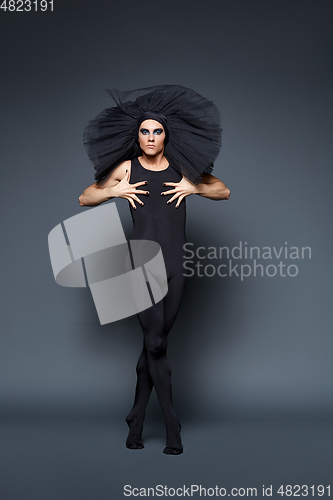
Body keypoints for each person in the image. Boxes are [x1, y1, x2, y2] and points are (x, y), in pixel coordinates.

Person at [79, 86, 230, 455]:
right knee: (157, 343)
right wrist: (115, 192)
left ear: (166, 134)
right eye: (144, 131)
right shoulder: (127, 168)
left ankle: (135, 416)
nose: (150, 137)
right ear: (137, 135)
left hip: (177, 265)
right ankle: (171, 425)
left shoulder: (182, 168)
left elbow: (224, 191)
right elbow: (85, 197)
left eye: (156, 131)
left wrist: (195, 188)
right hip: (140, 266)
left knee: (154, 344)